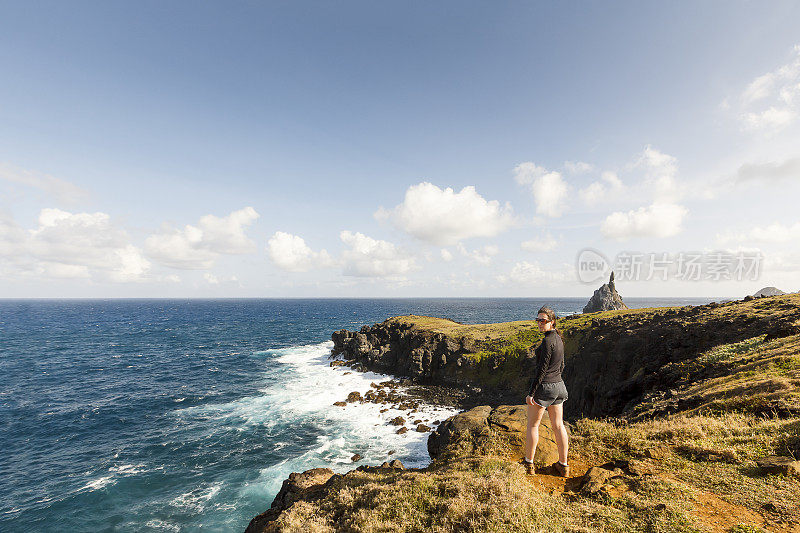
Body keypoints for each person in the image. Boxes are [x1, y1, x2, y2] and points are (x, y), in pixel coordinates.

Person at [522, 305, 570, 477]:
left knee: (533, 426)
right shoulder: (558, 339)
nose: (540, 323)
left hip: (545, 388)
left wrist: (531, 393)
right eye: (538, 320)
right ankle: (563, 466)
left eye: (543, 321)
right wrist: (555, 379)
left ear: (552, 321)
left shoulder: (547, 341)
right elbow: (562, 365)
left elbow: (541, 371)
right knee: (558, 426)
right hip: (559, 387)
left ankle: (528, 464)